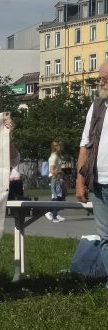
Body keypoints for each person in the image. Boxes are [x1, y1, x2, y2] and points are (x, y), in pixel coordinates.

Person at [76, 60, 108, 284]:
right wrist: (80, 180)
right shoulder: (97, 106)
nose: (101, 83)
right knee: (106, 237)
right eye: (100, 78)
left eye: (105, 79)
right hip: (98, 183)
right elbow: (85, 144)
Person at [45, 140, 66, 222]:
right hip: (55, 178)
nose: (61, 147)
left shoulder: (58, 156)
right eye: (59, 146)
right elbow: (51, 170)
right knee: (56, 197)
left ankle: (55, 213)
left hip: (58, 177)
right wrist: (58, 175)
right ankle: (50, 212)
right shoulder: (54, 157)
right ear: (55, 147)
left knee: (61, 197)